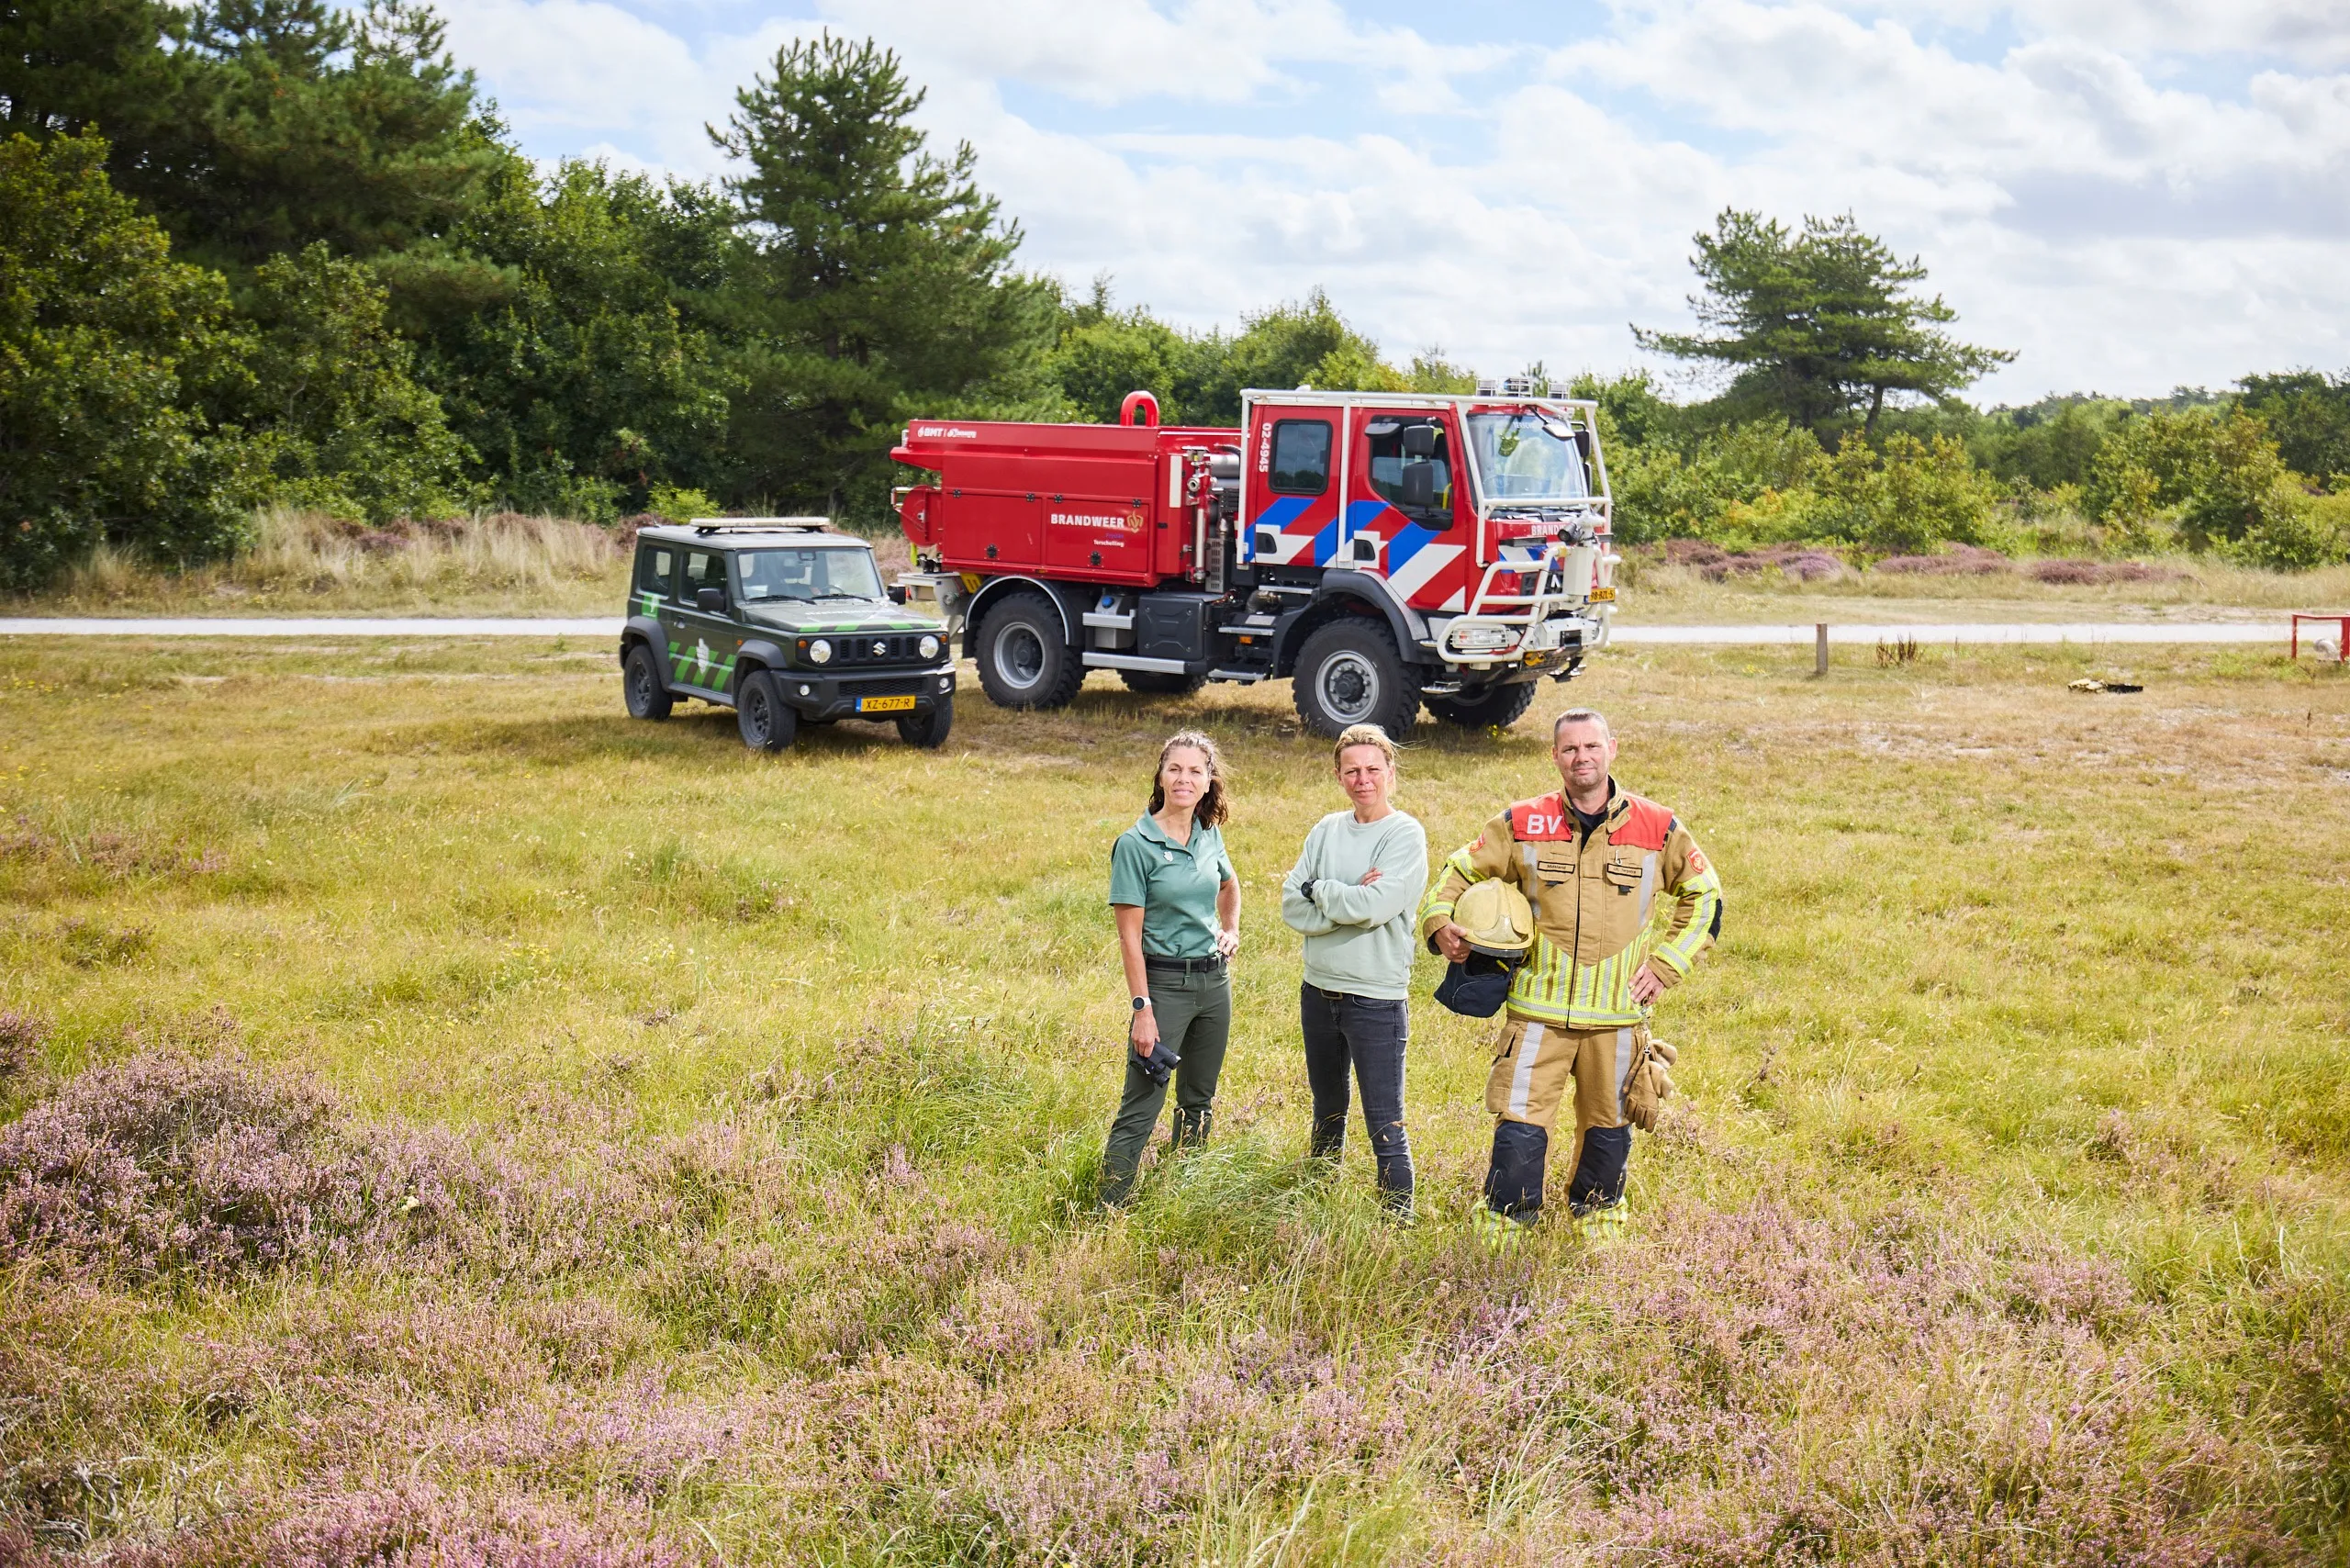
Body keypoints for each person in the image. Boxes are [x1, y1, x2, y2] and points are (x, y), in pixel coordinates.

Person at [1418, 708, 1722, 1244]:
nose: (1582, 758)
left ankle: (1599, 1218)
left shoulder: (1659, 826)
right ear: (1554, 756)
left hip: (1618, 1015)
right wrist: (1440, 922)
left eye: (1592, 747)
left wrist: (1667, 963)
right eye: (1569, 749)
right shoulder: (1522, 821)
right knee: (1520, 1123)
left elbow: (1706, 898)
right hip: (1537, 1010)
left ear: (1612, 749)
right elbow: (1457, 872)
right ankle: (1506, 1222)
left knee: (1608, 1124)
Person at [1281, 723, 1427, 1214]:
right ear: (1339, 777)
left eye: (1372, 769)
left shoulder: (1405, 834)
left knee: (1385, 1122)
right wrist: (1347, 897)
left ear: (1390, 771)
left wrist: (1321, 889)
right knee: (1326, 1114)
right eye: (1352, 771)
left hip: (1375, 1000)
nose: (1363, 779)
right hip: (1318, 991)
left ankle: (1398, 1227)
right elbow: (1290, 905)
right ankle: (1319, 1209)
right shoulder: (1325, 829)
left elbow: (1376, 905)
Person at [1098, 731, 1241, 1206]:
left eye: (1195, 770)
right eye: (1175, 769)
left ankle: (1182, 1197)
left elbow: (1229, 884)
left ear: (1207, 781)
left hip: (1213, 984)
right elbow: (1128, 938)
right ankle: (1108, 1209)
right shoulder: (1135, 845)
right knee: (1143, 1103)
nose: (1184, 778)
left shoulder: (1209, 833)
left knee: (1198, 1099)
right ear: (1160, 777)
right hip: (1164, 987)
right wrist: (1143, 1008)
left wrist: (1230, 929)